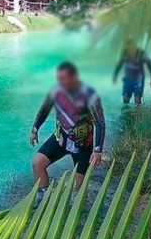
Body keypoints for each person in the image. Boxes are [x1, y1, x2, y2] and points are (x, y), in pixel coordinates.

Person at [30, 62, 105, 203]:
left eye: (64, 79)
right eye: (59, 79)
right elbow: (44, 109)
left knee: (79, 187)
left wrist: (97, 150)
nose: (60, 82)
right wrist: (35, 130)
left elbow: (100, 123)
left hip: (83, 145)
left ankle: (77, 207)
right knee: (37, 163)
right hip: (60, 139)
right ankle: (42, 200)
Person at [113, 41, 151, 105]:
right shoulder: (125, 53)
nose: (131, 50)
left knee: (137, 100)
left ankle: (139, 110)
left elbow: (149, 64)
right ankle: (127, 111)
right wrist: (115, 75)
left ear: (135, 47)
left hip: (139, 79)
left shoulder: (141, 54)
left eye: (132, 48)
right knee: (125, 99)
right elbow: (120, 64)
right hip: (128, 79)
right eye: (129, 48)